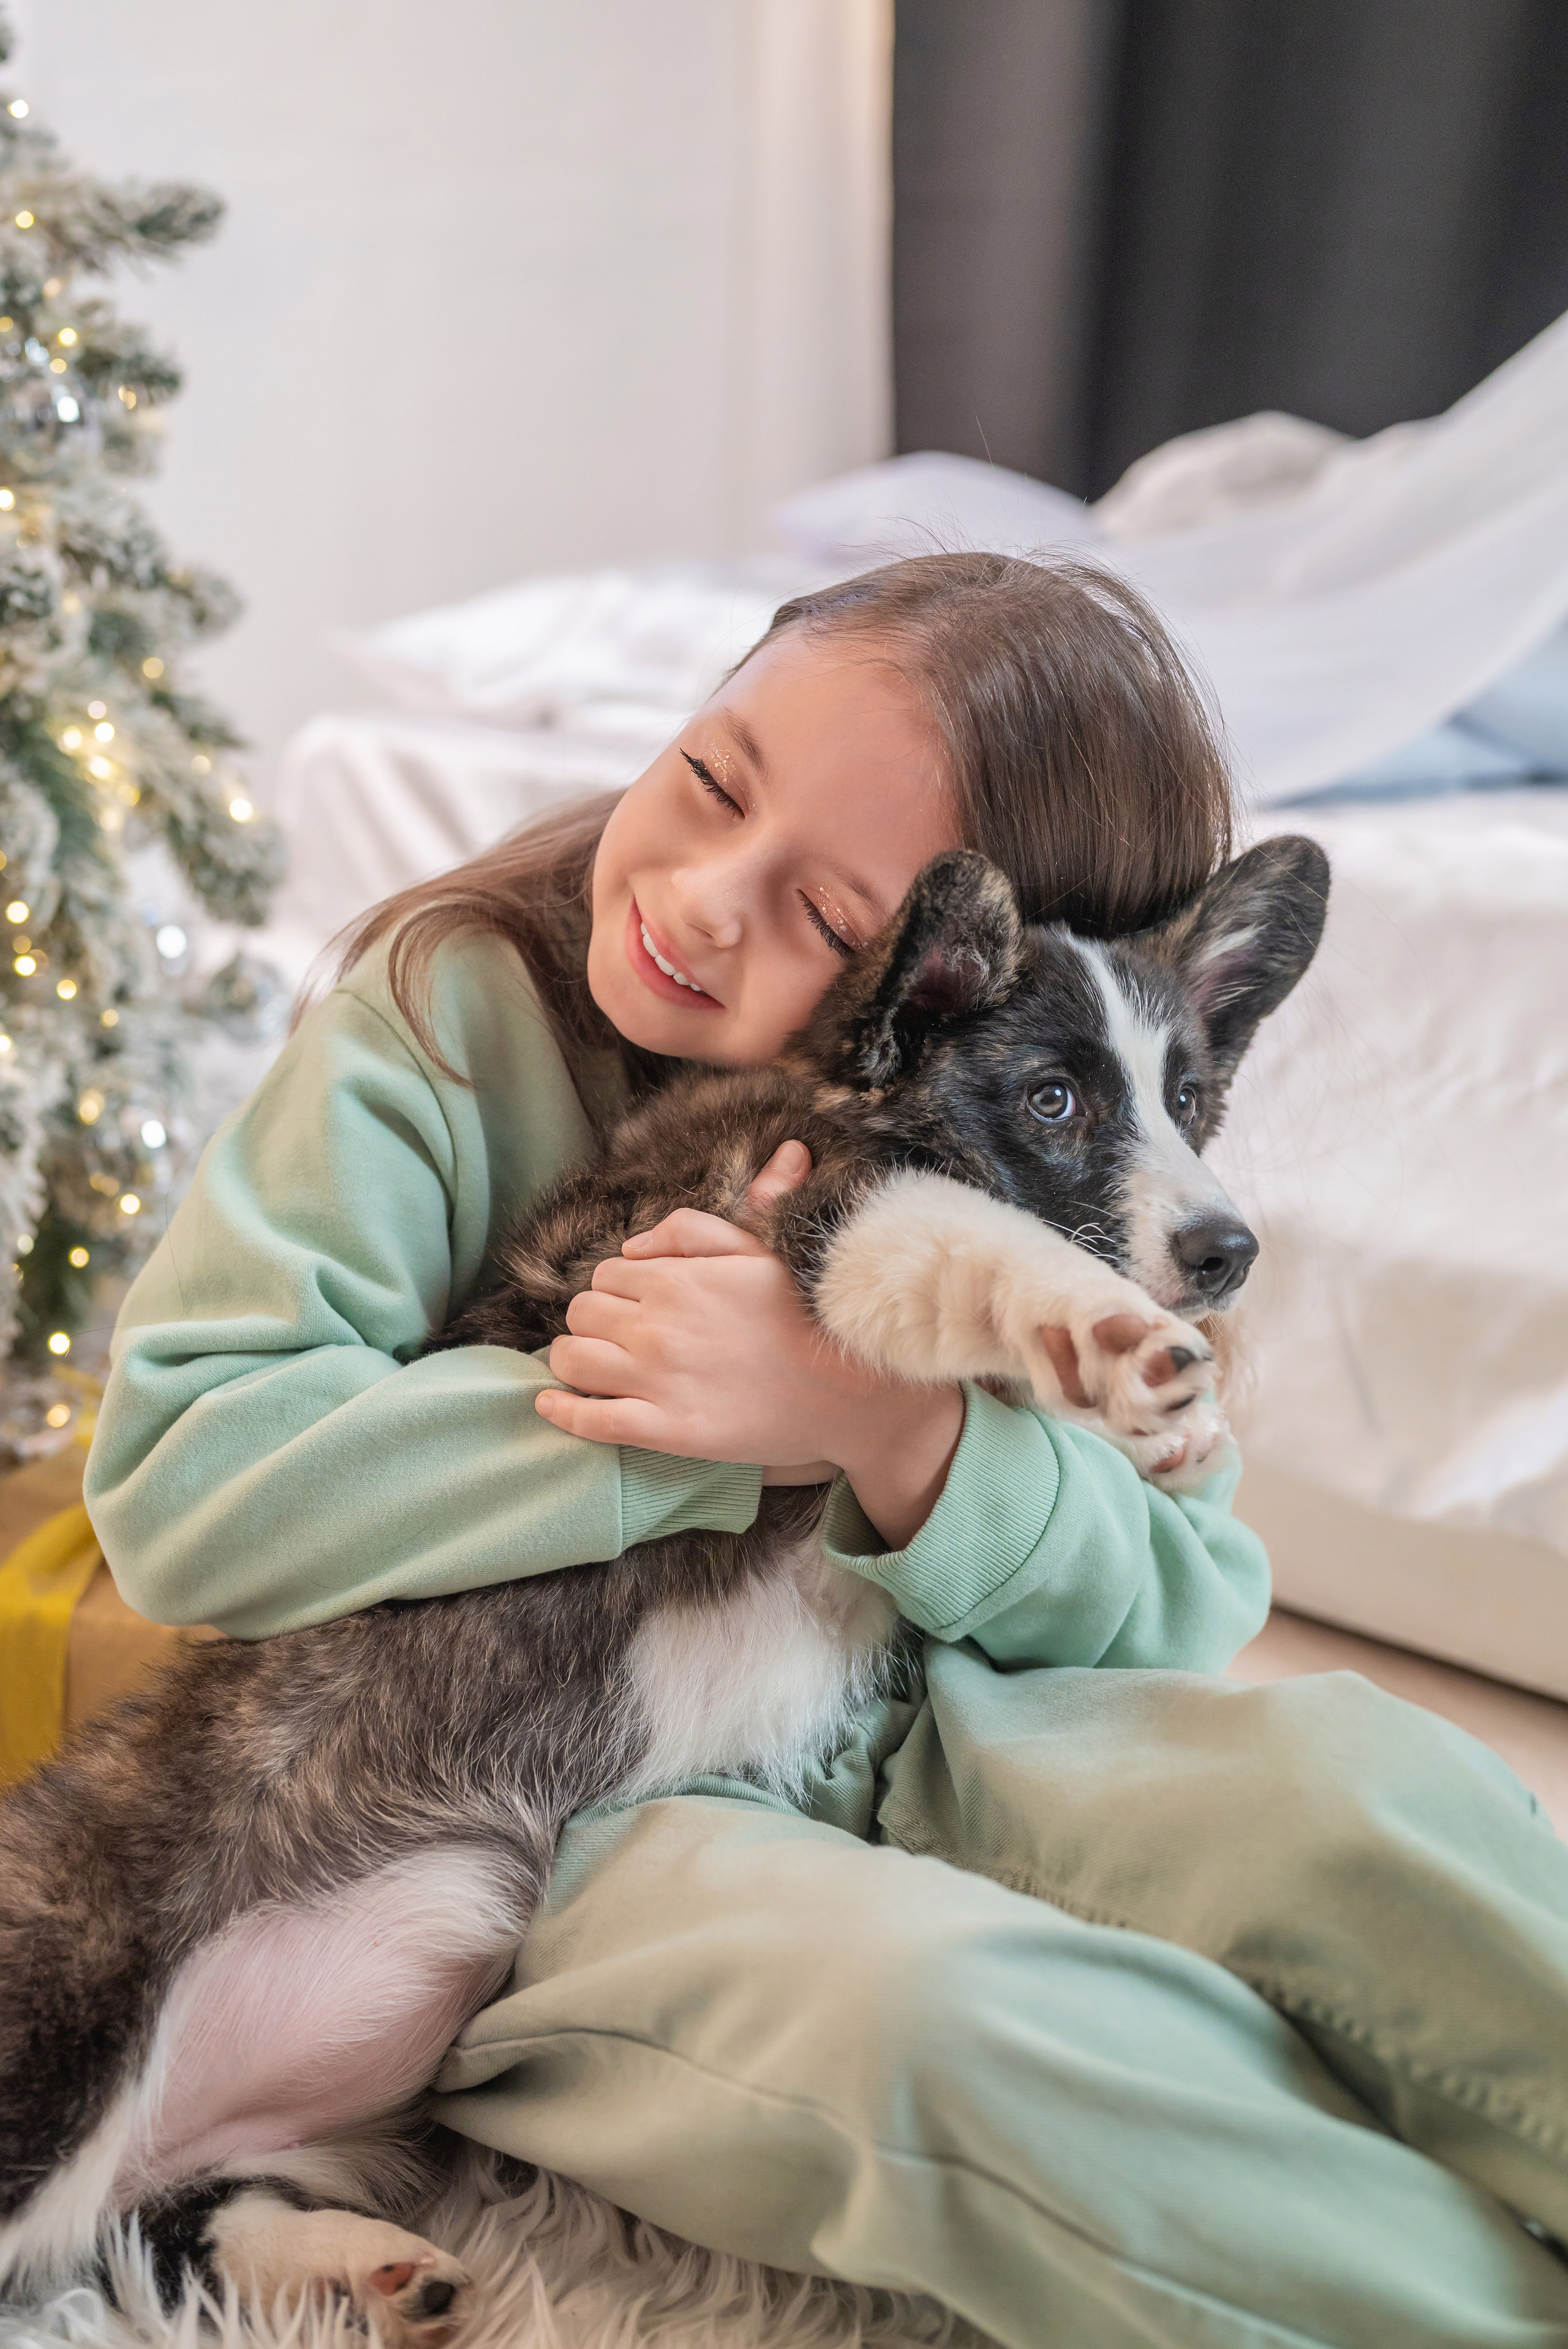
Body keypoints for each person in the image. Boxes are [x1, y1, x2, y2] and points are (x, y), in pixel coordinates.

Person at [88, 556, 1568, 2349]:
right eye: (713, 778)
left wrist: (881, 1420)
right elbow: (186, 1472)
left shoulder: (1037, 1169)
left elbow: (1187, 1602)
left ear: (975, 987)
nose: (708, 902)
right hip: (580, 1811)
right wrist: (679, 1437)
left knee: (1368, 1795)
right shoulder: (448, 1020)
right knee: (947, 2022)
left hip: (962, 1727)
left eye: (829, 912)